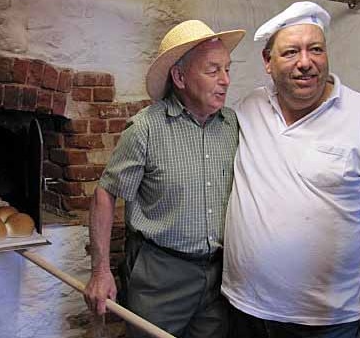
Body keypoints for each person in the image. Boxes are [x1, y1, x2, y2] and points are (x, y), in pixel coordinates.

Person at [221, 1, 360, 338]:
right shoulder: (249, 110)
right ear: (268, 62)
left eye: (315, 49)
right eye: (291, 52)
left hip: (325, 323)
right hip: (245, 309)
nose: (305, 62)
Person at [84, 20, 245, 338]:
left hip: (218, 274)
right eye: (213, 71)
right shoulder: (146, 128)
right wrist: (100, 270)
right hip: (159, 274)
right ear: (180, 77)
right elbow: (105, 194)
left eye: (227, 69)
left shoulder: (233, 125)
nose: (225, 81)